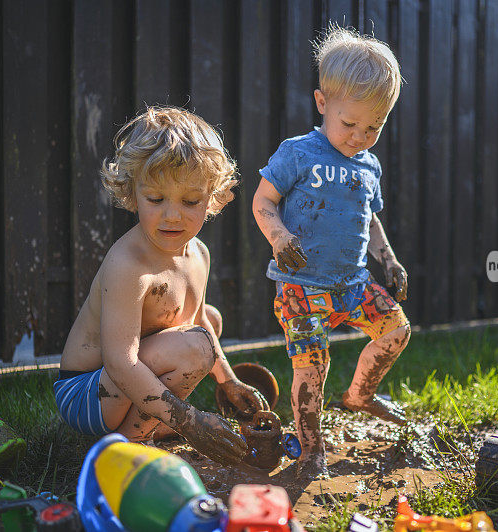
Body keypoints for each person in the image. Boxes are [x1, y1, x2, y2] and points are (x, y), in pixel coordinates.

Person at [55, 106, 267, 466]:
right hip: (87, 393)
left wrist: (229, 381)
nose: (172, 215)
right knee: (196, 347)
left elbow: (200, 326)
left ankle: (150, 424)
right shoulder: (129, 265)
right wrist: (191, 421)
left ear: (212, 197)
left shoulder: (198, 253)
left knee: (209, 322)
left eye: (190, 201)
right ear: (131, 192)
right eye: (156, 199)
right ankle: (125, 447)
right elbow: (120, 363)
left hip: (120, 383)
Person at [252, 26, 411, 478]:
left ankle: (361, 393)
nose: (360, 136)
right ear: (323, 103)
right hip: (303, 286)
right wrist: (280, 238)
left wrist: (390, 259)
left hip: (353, 282)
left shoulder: (368, 165)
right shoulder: (299, 153)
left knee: (396, 330)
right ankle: (310, 449)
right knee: (311, 368)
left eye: (373, 127)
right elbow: (262, 202)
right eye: (350, 124)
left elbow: (370, 218)